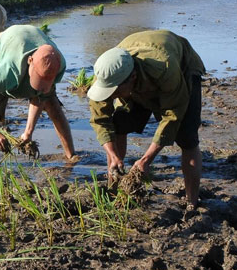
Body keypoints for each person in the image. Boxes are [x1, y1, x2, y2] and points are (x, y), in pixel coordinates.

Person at [87, 29, 205, 209]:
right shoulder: (105, 75)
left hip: (182, 69)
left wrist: (145, 160)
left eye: (115, 92)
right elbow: (100, 120)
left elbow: (171, 116)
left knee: (187, 137)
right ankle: (114, 189)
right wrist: (113, 155)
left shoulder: (165, 67)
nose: (111, 96)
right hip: (136, 77)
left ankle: (192, 202)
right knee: (119, 124)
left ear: (132, 78)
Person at [0, 24, 76, 167]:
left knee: (53, 106)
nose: (43, 87)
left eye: (46, 81)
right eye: (39, 78)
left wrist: (28, 132)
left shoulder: (58, 64)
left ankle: (71, 156)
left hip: (31, 39)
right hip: (6, 44)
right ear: (30, 61)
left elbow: (39, 97)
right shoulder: (8, 69)